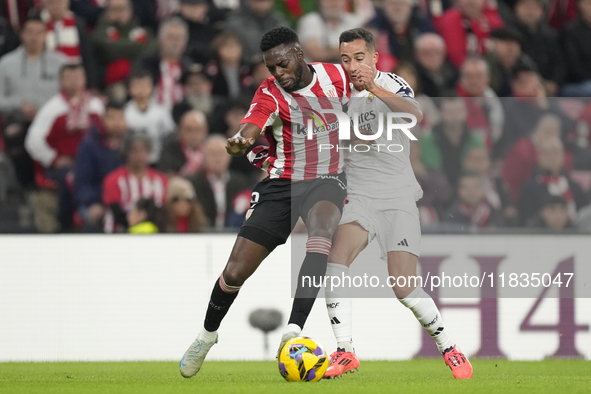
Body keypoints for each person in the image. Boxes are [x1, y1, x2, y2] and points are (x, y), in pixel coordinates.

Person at [178, 26, 350, 378]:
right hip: (282, 182)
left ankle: (294, 331)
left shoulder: (336, 76)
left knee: (320, 235)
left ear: (299, 54)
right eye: (272, 69)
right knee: (236, 271)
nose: (279, 74)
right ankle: (206, 336)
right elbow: (251, 125)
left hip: (327, 179)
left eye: (283, 64)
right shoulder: (270, 92)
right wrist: (240, 141)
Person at [319, 27, 471, 380]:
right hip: (359, 197)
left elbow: (414, 115)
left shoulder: (393, 83)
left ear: (374, 57)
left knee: (403, 286)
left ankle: (449, 347)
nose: (353, 66)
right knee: (335, 261)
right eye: (345, 60)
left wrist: (373, 88)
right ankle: (345, 351)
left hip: (399, 198)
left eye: (359, 58)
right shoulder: (338, 96)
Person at [25, 63, 104, 232]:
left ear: (84, 80)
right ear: (61, 81)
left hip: (94, 164)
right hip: (65, 165)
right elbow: (33, 140)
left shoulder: (96, 106)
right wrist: (54, 158)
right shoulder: (52, 108)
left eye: (78, 77)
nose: (74, 82)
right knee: (72, 180)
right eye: (69, 78)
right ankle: (69, 223)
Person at [0, 16, 67, 190]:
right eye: (29, 32)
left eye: (39, 32)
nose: (34, 37)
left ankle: (56, 181)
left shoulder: (61, 63)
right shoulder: (6, 63)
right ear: (22, 35)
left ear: (46, 35)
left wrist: (45, 110)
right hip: (19, 116)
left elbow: (70, 94)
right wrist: (20, 104)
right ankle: (27, 186)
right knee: (14, 135)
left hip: (52, 117)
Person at [74, 101, 128, 232]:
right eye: (111, 118)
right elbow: (83, 182)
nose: (116, 123)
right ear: (103, 120)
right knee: (93, 219)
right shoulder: (89, 145)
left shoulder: (132, 143)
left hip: (127, 199)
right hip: (98, 200)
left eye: (120, 117)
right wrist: (93, 203)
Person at [102, 132, 168, 233]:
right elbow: (114, 211)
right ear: (126, 152)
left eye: (144, 151)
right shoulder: (113, 180)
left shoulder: (161, 180)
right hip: (119, 236)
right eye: (134, 151)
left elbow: (163, 211)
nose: (140, 156)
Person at [518, 137, 588, 225]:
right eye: (546, 153)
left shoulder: (575, 188)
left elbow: (585, 217)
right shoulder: (529, 188)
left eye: (555, 152)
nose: (551, 157)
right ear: (538, 157)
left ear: (563, 156)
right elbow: (526, 219)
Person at [420, 95, 484, 187]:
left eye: (458, 111)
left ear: (466, 112)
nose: (454, 116)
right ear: (440, 113)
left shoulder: (475, 140)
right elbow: (433, 172)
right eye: (449, 112)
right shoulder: (428, 140)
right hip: (439, 191)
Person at [188, 135, 251, 229]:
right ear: (204, 156)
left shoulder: (240, 183)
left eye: (221, 153)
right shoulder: (193, 183)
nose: (217, 159)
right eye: (213, 154)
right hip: (202, 234)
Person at [92, 0, 155, 92]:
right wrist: (138, 46)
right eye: (114, 9)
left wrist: (121, 46)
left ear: (130, 10)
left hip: (138, 78)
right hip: (111, 83)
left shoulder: (141, 31)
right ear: (106, 11)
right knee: (118, 91)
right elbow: (110, 50)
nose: (119, 13)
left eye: (122, 9)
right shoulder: (100, 31)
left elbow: (151, 49)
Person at [133, 17, 192, 110]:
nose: (175, 42)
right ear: (160, 39)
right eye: (171, 37)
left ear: (185, 42)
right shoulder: (146, 63)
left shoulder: (189, 67)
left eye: (179, 38)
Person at [40, 0, 99, 89]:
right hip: (46, 77)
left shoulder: (78, 23)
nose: (56, 6)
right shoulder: (38, 23)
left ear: (67, 4)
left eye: (59, 2)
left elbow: (87, 55)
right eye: (51, 2)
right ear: (44, 5)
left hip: (74, 77)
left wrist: (92, 84)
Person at [124, 68, 175, 164]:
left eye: (144, 85)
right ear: (129, 89)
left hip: (157, 160)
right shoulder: (125, 112)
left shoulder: (161, 112)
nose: (141, 90)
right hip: (131, 161)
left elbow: (169, 134)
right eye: (137, 86)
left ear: (152, 88)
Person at [433, 0, 504, 68]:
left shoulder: (493, 22)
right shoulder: (449, 21)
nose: (471, 1)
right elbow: (455, 55)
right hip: (459, 73)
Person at [296, 0, 362, 63]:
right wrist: (350, 51)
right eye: (329, 0)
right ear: (319, 2)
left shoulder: (354, 21)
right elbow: (317, 54)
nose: (333, 4)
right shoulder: (310, 21)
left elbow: (364, 51)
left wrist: (330, 52)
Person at [158, 110, 208, 177]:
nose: (193, 134)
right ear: (181, 130)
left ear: (205, 130)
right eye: (189, 129)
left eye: (198, 130)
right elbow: (167, 174)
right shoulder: (171, 148)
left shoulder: (211, 148)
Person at [413, 33, 458, 98]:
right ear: (417, 55)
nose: (432, 57)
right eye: (426, 53)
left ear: (443, 53)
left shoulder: (454, 74)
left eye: (436, 52)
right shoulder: (414, 78)